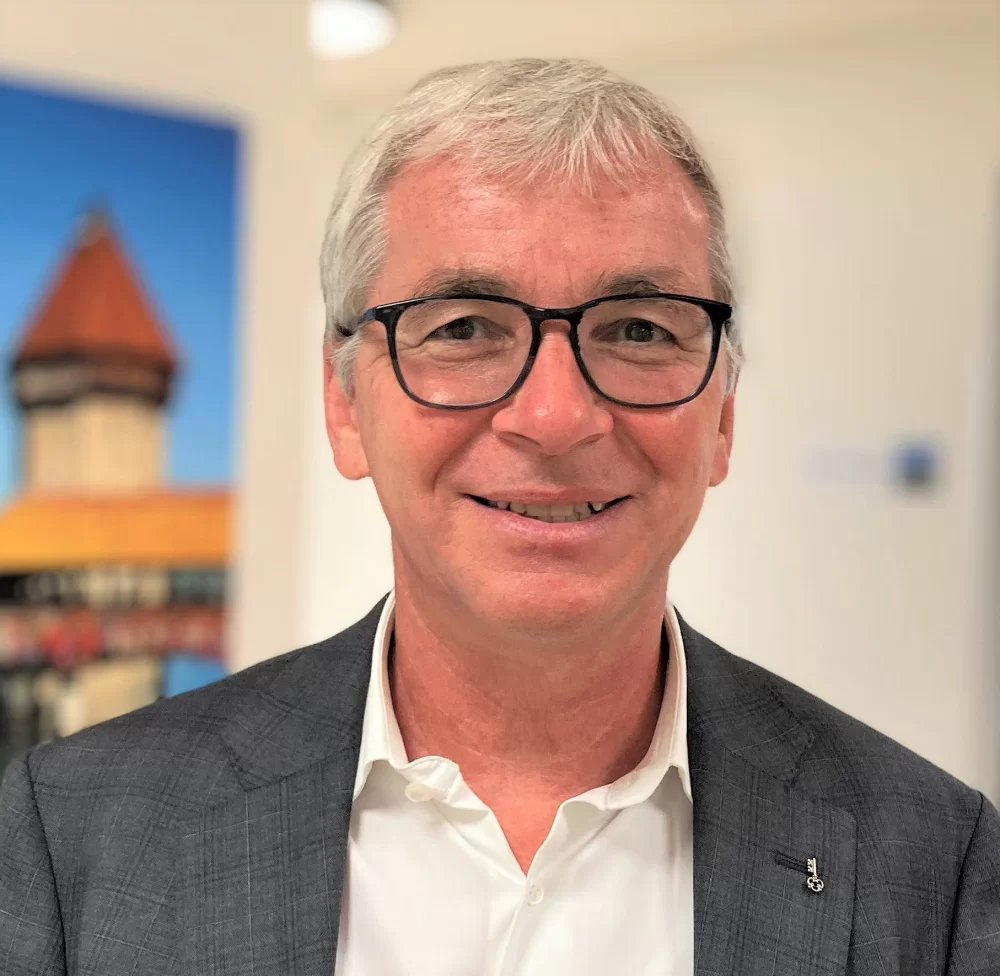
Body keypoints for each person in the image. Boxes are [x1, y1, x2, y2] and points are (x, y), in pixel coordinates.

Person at [1, 58, 997, 976]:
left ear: (723, 414)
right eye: (465, 327)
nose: (555, 416)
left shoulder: (933, 867)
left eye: (638, 329)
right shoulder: (73, 840)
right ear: (344, 404)